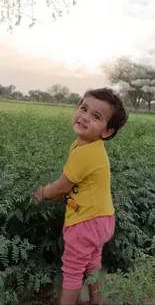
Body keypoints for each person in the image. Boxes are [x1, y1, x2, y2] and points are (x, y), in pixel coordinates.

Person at [34, 88, 128, 305]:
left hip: (86, 222)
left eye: (96, 117)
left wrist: (43, 193)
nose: (85, 117)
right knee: (93, 261)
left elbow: (60, 187)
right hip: (103, 218)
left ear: (106, 131)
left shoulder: (85, 153)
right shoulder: (88, 145)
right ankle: (96, 301)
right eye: (83, 108)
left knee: (72, 269)